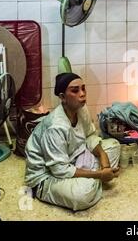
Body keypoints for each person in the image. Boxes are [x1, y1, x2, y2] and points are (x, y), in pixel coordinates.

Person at [25, 73, 121, 211]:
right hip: (46, 176)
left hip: (74, 157)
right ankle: (92, 179)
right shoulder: (56, 127)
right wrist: (100, 174)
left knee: (113, 145)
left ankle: (92, 176)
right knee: (82, 194)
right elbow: (59, 170)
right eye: (75, 91)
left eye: (83, 89)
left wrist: (105, 163)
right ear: (63, 97)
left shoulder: (82, 108)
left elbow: (89, 136)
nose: (82, 94)